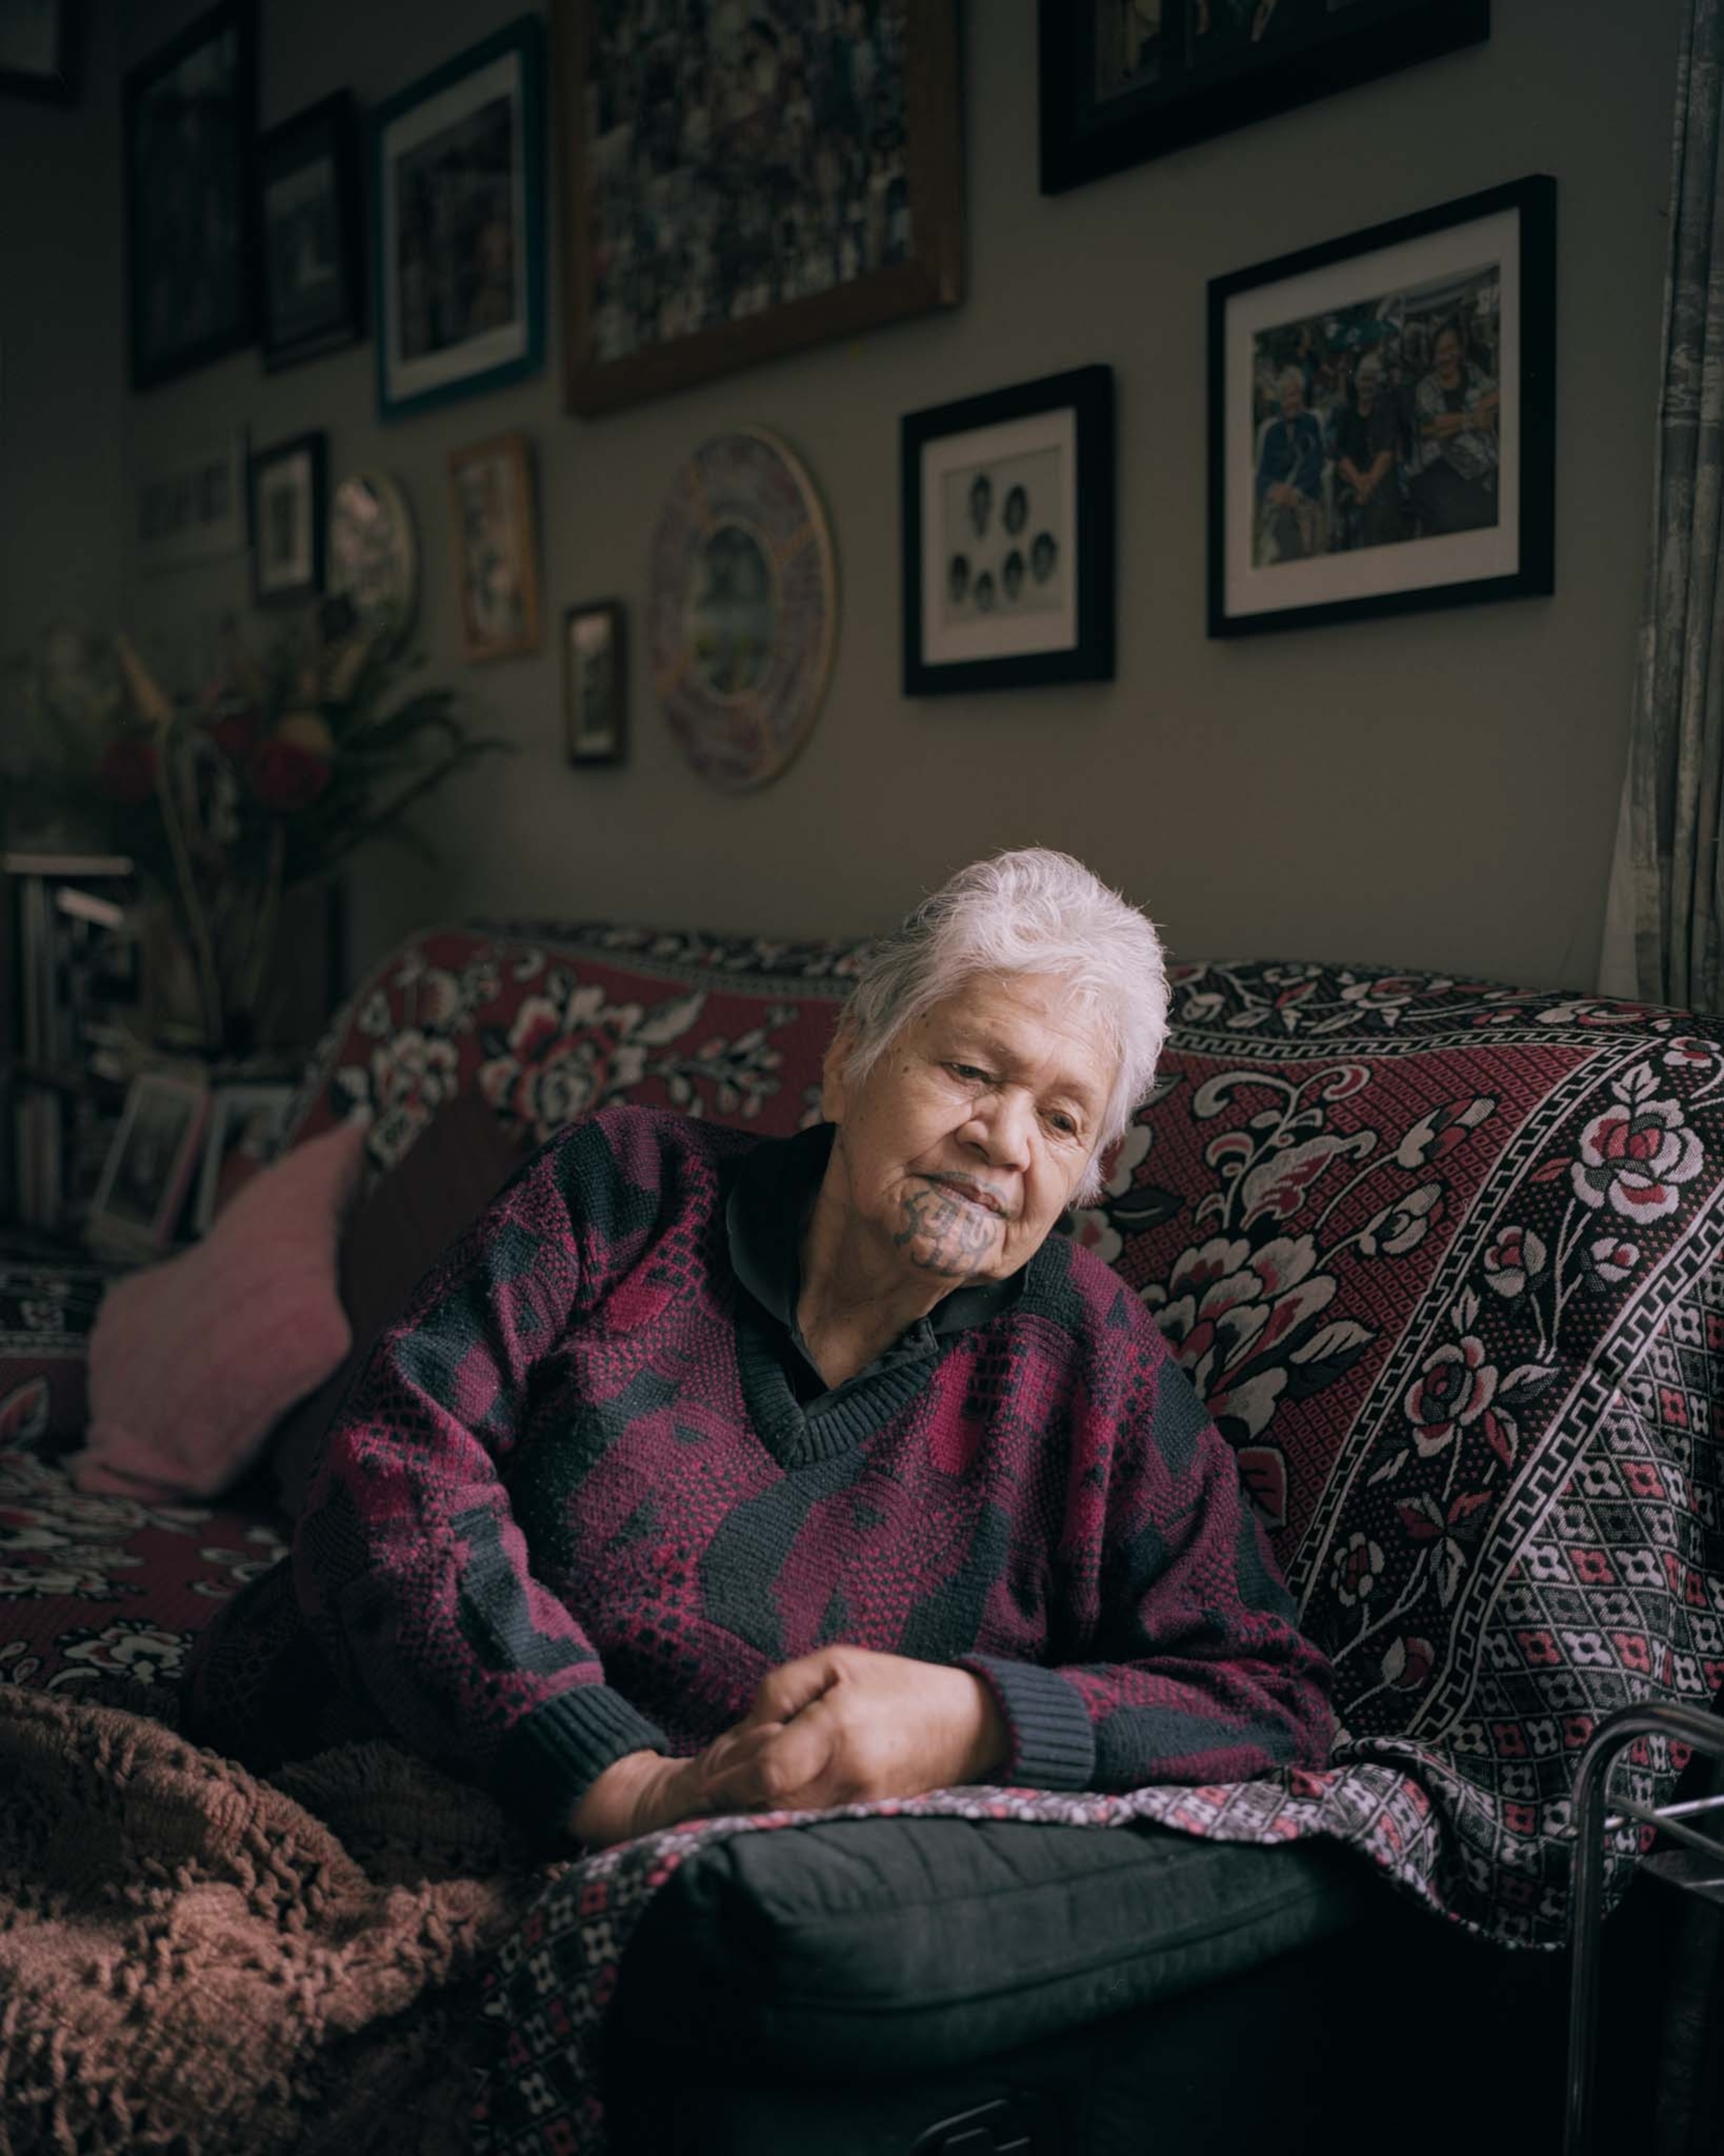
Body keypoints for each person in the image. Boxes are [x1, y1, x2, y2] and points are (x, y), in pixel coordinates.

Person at [184, 851, 1333, 1854]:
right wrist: (616, 1781)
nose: (1003, 1141)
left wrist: (975, 1721)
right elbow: (388, 1462)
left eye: (1063, 1118)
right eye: (971, 1071)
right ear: (847, 1063)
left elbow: (1266, 1697)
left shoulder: (1092, 1360)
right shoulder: (622, 1188)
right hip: (374, 1779)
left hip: (722, 1920)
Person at [1410, 316, 1500, 535]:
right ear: (1432, 356)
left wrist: (1483, 406)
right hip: (1448, 470)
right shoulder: (1426, 387)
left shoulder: (1471, 371)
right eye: (1440, 352)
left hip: (1487, 464)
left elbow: (1499, 392)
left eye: (1451, 349)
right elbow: (1432, 426)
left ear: (1460, 349)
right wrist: (1471, 420)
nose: (1447, 357)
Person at [1332, 352, 1406, 552]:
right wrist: (1358, 483)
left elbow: (1387, 452)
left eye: (1372, 380)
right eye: (1363, 379)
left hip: (1378, 478)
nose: (1367, 385)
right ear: (1356, 382)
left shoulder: (1386, 412)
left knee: (1381, 513)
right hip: (1352, 479)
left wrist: (1369, 484)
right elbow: (1340, 454)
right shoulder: (1346, 414)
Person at [1254, 366, 1325, 564]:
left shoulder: (1311, 423)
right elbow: (1261, 476)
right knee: (1283, 520)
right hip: (1278, 501)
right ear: (1279, 401)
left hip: (1305, 497)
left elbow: (1316, 464)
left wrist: (1296, 492)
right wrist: (1273, 490)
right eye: (1285, 397)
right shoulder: (1271, 432)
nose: (1291, 402)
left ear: (1301, 396)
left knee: (1294, 524)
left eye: (1295, 395)